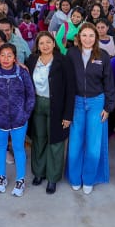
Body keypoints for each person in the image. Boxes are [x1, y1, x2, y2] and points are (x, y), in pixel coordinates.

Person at [66, 24, 115, 195]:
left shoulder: (103, 56)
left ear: (96, 38)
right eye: (84, 35)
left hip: (97, 103)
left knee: (94, 145)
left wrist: (108, 107)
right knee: (75, 143)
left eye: (91, 36)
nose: (87, 39)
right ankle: (74, 178)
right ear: (78, 37)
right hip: (77, 103)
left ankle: (89, 178)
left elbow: (109, 82)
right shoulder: (71, 54)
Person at [0, 43, 36, 197]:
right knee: (0, 147)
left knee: (19, 148)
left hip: (19, 119)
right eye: (2, 55)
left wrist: (25, 114)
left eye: (9, 55)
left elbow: (30, 95)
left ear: (15, 58)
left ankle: (20, 179)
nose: (6, 59)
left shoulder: (22, 73)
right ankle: (1, 177)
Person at [25, 31, 74, 194]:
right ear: (37, 46)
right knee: (39, 139)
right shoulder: (32, 60)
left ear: (54, 43)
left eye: (48, 42)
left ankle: (52, 178)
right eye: (41, 43)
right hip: (37, 104)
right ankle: (39, 173)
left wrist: (68, 115)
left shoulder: (63, 61)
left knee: (56, 141)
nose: (45, 46)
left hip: (57, 106)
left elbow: (70, 89)